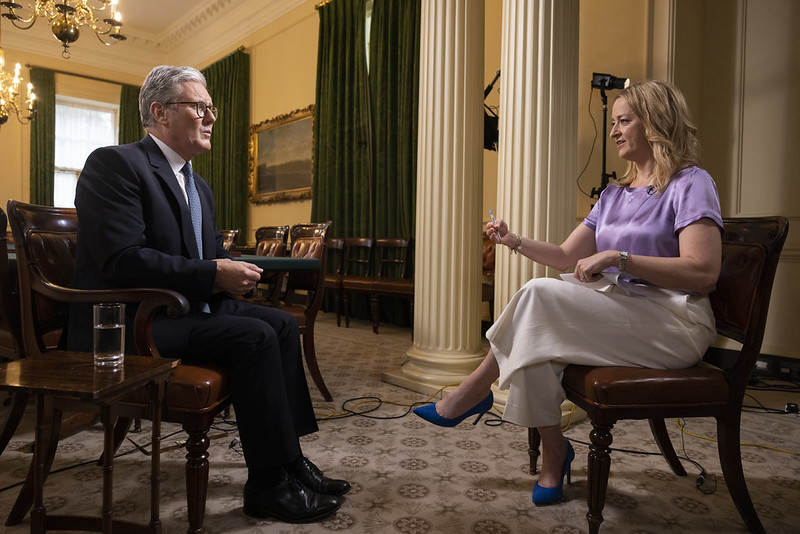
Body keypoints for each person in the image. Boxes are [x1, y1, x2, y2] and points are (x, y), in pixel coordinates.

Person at [414, 80, 723, 506]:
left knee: (538, 299)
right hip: (625, 312)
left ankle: (473, 391)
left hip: (675, 322)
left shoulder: (691, 182)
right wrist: (512, 240)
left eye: (623, 121)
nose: (613, 131)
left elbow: (703, 273)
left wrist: (619, 258)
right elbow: (563, 255)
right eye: (613, 122)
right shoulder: (613, 194)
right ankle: (554, 452)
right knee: (538, 338)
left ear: (654, 122)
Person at [68, 65, 349, 523]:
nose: (212, 117)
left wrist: (231, 267)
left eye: (211, 108)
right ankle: (268, 485)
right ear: (160, 112)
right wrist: (214, 273)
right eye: (199, 107)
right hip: (131, 322)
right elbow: (121, 260)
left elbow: (208, 250)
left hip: (181, 311)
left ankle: (289, 460)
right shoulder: (116, 164)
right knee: (254, 337)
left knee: (280, 323)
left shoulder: (198, 184)